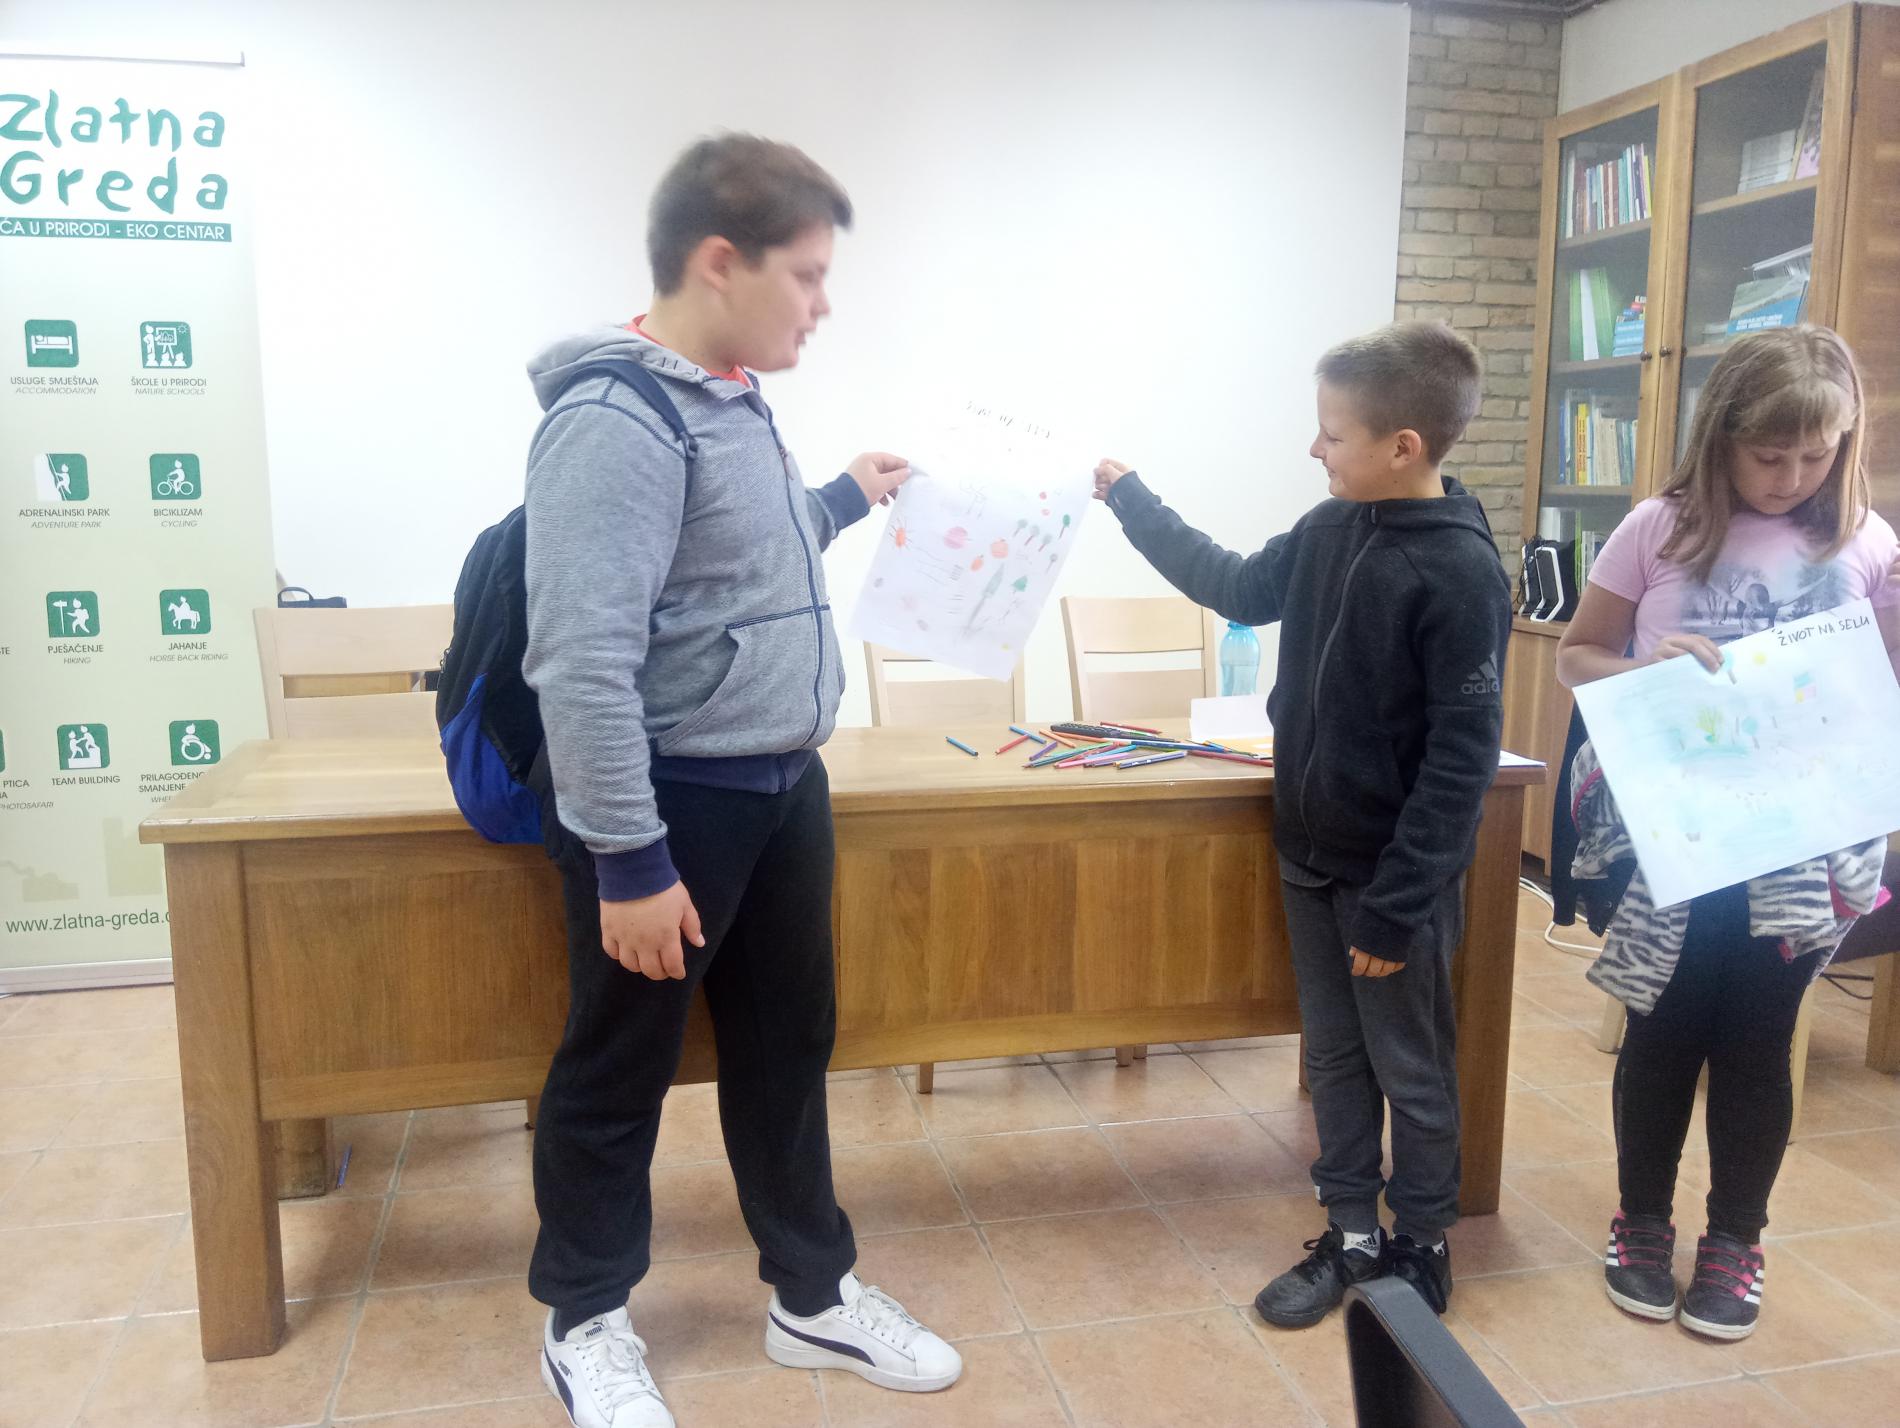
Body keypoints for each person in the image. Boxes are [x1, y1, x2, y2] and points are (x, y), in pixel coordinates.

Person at [521, 134, 960, 1428]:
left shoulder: (729, 395)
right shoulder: (614, 422)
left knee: (785, 1051)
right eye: (807, 276)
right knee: (619, 1070)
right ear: (721, 262)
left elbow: (734, 567)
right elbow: (581, 661)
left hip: (779, 789)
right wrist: (629, 860)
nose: (823, 304)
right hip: (674, 805)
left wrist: (842, 498)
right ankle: (585, 1321)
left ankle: (810, 1295)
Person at [1093, 321, 1509, 1327]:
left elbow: (1461, 761)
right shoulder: (1328, 528)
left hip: (1391, 884)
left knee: (1411, 1069)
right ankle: (1350, 1233)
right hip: (1309, 859)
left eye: (1331, 433)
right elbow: (1236, 584)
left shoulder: (1461, 572)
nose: (1312, 448)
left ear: (1401, 446)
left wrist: (1397, 907)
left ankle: (1420, 1244)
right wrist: (1132, 499)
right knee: (1331, 1060)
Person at [1558, 326, 1900, 1341]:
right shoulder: (1655, 528)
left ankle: (1736, 1238)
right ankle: (1641, 1222)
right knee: (1663, 1028)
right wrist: (1645, 669)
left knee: (1757, 1039)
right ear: (1721, 439)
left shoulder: (1870, 543)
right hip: (1674, 832)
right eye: (1768, 455)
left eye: (1816, 455)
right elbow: (1576, 657)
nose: (1791, 478)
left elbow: (1879, 689)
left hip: (1799, 847)